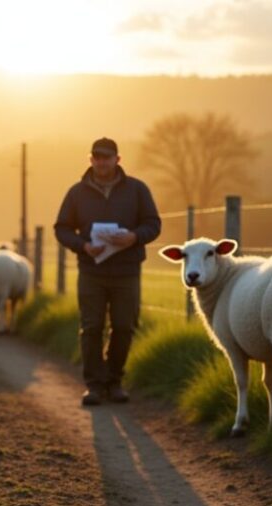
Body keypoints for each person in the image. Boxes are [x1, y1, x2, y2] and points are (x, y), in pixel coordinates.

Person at [54, 137, 162, 406]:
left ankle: (115, 382)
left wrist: (134, 237)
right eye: (97, 157)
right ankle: (93, 385)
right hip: (91, 271)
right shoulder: (76, 193)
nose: (101, 162)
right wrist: (83, 246)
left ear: (117, 159)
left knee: (124, 327)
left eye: (107, 157)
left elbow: (153, 224)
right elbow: (62, 228)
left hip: (127, 271)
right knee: (91, 327)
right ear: (90, 160)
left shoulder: (137, 190)